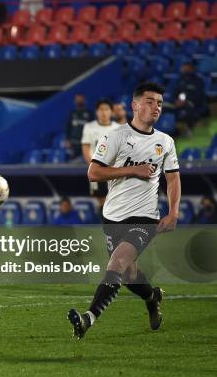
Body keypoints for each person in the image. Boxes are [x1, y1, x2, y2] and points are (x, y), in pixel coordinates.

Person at [68, 82, 181, 339]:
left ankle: (88, 319)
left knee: (116, 263)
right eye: (150, 101)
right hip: (113, 215)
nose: (156, 107)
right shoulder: (115, 137)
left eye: (160, 103)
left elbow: (173, 179)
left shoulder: (165, 142)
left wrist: (173, 212)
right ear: (135, 105)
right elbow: (94, 172)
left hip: (145, 217)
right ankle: (152, 297)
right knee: (129, 274)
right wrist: (133, 169)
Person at [81, 99, 120, 210]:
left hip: (114, 170)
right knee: (101, 200)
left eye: (106, 109)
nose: (104, 112)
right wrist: (94, 167)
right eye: (101, 109)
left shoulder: (118, 128)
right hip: (98, 171)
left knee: (115, 201)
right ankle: (104, 226)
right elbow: (86, 149)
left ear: (111, 112)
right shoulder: (89, 127)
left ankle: (116, 226)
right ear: (96, 112)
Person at [174, 62, 208, 134]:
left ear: (192, 69)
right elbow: (175, 92)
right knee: (164, 106)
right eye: (184, 69)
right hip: (179, 101)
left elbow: (198, 95)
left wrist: (185, 101)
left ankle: (189, 129)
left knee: (188, 106)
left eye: (187, 69)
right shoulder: (180, 79)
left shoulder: (198, 80)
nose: (184, 71)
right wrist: (176, 100)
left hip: (193, 102)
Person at [65, 94, 93, 159]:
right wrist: (67, 139)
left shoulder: (89, 113)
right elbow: (68, 127)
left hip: (86, 142)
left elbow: (93, 128)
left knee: (87, 161)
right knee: (73, 162)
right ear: (75, 101)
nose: (79, 101)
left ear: (84, 101)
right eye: (77, 100)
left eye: (81, 99)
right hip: (74, 142)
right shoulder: (72, 113)